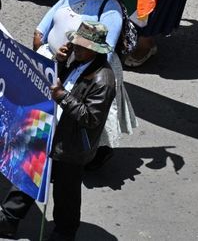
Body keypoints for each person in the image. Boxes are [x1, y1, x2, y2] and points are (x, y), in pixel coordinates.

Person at [0, 21, 116, 240]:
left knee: (66, 194)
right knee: (28, 176)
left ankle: (64, 234)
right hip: (52, 130)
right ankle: (8, 219)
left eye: (81, 46)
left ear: (94, 50)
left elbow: (91, 118)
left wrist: (63, 96)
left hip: (71, 146)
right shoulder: (76, 58)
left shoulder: (103, 80)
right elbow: (56, 80)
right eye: (75, 43)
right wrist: (59, 63)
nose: (76, 48)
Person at [34, 0, 137, 171]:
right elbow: (55, 10)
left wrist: (77, 73)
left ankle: (91, 155)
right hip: (59, 63)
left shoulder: (111, 10)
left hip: (85, 71)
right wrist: (40, 32)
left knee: (87, 118)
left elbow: (104, 50)